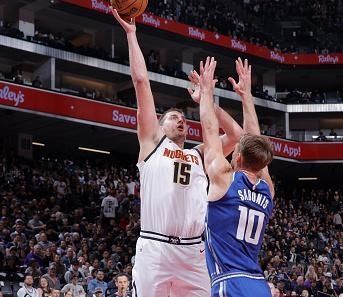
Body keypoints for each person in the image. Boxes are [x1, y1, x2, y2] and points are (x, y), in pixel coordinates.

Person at [111, 8, 242, 297]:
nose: (181, 119)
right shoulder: (151, 143)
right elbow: (141, 82)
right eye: (173, 116)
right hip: (154, 247)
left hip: (193, 251)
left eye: (183, 117)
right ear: (158, 124)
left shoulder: (199, 154)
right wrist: (132, 35)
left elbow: (237, 136)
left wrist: (207, 98)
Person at [198, 57, 275, 296]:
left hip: (230, 282)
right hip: (258, 284)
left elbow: (210, 132)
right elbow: (255, 139)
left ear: (238, 155)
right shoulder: (267, 189)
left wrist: (206, 93)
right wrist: (246, 95)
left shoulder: (224, 178)